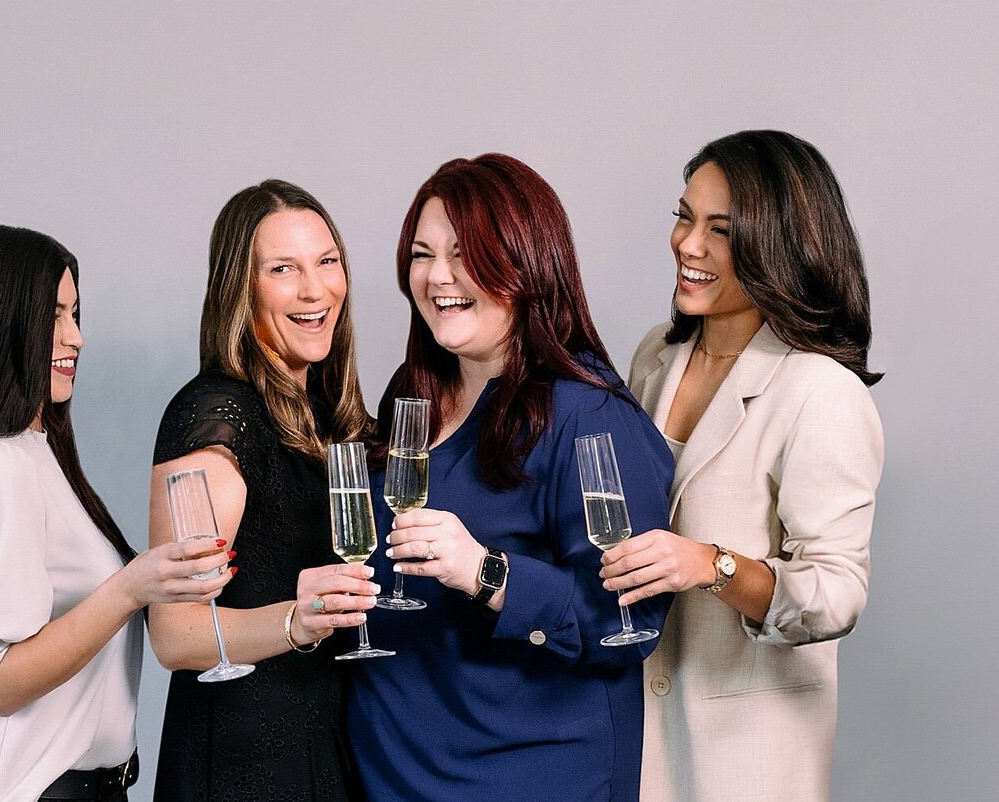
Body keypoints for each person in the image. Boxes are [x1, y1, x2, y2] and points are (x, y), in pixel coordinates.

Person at [346, 154, 674, 801]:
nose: (438, 276)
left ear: (527, 261)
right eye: (422, 253)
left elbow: (623, 623)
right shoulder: (413, 393)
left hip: (521, 778)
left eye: (466, 254)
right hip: (393, 778)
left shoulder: (588, 415)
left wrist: (485, 571)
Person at [0, 223, 234, 801]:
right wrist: (130, 588)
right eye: (53, 316)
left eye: (75, 314)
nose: (74, 337)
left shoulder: (37, 456)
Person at [601, 130, 885, 801]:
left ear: (777, 246)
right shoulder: (655, 356)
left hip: (746, 761)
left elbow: (835, 592)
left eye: (720, 230)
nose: (688, 245)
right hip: (632, 733)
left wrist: (713, 566)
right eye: (684, 216)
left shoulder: (820, 392)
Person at [148, 180, 376, 801]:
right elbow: (174, 634)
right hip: (245, 757)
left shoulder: (333, 414)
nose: (315, 290)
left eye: (327, 262)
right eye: (284, 270)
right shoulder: (218, 414)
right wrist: (297, 623)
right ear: (241, 290)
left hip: (324, 737)